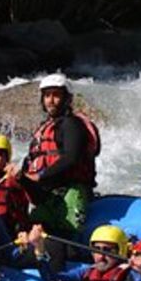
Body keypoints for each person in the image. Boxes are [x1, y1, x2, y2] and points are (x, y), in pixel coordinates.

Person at [20, 74, 101, 241]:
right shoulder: (44, 127)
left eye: (56, 95)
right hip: (48, 195)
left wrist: (40, 176)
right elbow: (31, 159)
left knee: (66, 239)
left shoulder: (71, 125)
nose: (51, 100)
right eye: (47, 95)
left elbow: (71, 158)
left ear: (66, 99)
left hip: (72, 193)